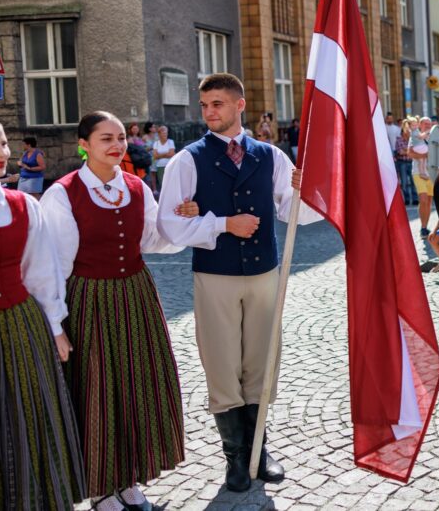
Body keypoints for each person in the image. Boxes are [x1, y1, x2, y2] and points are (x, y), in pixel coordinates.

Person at [156, 74, 321, 492]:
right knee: (222, 364)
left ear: (240, 105)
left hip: (265, 273)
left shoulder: (271, 156)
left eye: (217, 104)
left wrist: (310, 190)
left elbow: (293, 212)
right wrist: (223, 223)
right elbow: (170, 227)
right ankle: (233, 456)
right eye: (205, 105)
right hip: (215, 276)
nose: (209, 112)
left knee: (262, 363)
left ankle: (258, 451)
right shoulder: (187, 160)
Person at [40, 112, 195, 511]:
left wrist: (180, 218)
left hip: (137, 296)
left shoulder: (135, 187)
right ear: (84, 144)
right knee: (98, 391)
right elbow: (56, 264)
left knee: (137, 386)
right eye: (106, 138)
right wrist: (56, 323)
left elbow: (152, 240)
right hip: (90, 300)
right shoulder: (64, 193)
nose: (117, 144)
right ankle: (102, 488)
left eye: (122, 137)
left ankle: (130, 480)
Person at [0, 120, 86, 510]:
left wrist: (55, 327)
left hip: (19, 327)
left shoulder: (22, 205)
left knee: (25, 419)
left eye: (2, 142)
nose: (2, 152)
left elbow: (42, 271)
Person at [409, 118, 434, 237]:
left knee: (428, 202)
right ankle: (423, 227)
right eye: (426, 123)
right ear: (420, 125)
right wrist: (424, 155)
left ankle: (425, 227)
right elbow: (409, 153)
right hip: (418, 172)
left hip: (431, 173)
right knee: (423, 199)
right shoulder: (416, 137)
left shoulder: (433, 137)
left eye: (429, 124)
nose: (428, 125)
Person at [394, 118, 417, 206]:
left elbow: (415, 151)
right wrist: (408, 151)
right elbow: (400, 152)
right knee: (404, 183)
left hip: (411, 162)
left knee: (413, 181)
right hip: (402, 163)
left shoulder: (412, 139)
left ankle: (415, 199)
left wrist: (407, 151)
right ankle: (407, 199)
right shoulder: (399, 139)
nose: (408, 131)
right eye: (406, 129)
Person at [151, 125, 176, 191]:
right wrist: (166, 154)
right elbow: (155, 156)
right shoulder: (156, 143)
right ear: (159, 134)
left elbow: (172, 154)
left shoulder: (170, 142)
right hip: (160, 166)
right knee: (163, 184)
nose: (166, 134)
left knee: (172, 183)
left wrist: (160, 155)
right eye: (164, 133)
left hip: (170, 165)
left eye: (166, 133)